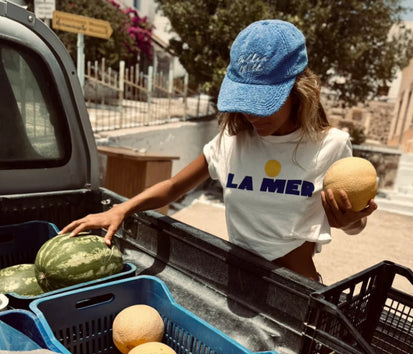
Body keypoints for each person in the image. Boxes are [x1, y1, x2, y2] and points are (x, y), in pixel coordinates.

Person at [61, 19, 377, 282]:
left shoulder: (331, 145)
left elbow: (355, 225)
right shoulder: (232, 139)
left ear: (299, 90)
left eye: (265, 102)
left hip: (297, 290)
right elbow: (173, 187)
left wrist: (347, 221)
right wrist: (121, 209)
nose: (252, 115)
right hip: (236, 281)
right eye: (245, 101)